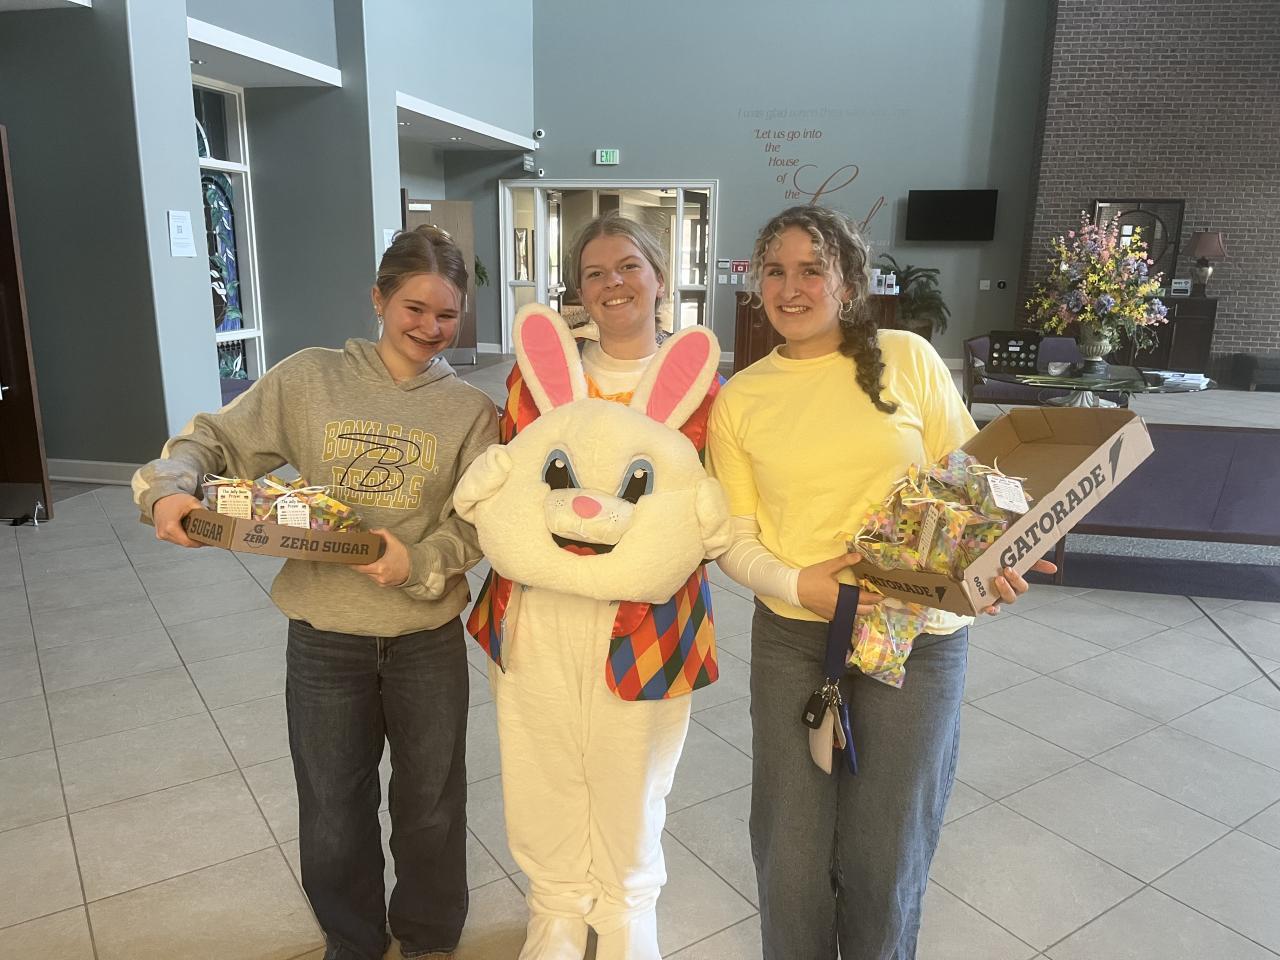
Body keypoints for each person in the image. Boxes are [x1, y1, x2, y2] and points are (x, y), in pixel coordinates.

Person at [133, 225, 498, 960]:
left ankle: (429, 936)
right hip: (325, 638)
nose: (431, 327)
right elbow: (212, 440)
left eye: (447, 314)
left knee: (431, 801)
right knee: (333, 804)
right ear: (378, 299)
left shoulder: (472, 412)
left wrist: (418, 560)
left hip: (426, 639)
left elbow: (477, 523)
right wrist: (169, 489)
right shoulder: (309, 379)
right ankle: (352, 940)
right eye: (415, 308)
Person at [706, 205, 1055, 960]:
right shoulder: (741, 398)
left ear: (849, 283)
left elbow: (976, 484)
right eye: (775, 272)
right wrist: (799, 584)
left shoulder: (909, 359)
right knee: (791, 850)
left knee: (887, 850)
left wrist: (1002, 556)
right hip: (799, 637)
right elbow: (732, 538)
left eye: (811, 270)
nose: (790, 289)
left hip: (920, 639)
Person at [466, 213, 721, 960]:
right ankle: (555, 906)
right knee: (539, 758)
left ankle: (625, 909)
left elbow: (718, 499)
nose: (614, 284)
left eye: (629, 266)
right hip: (536, 607)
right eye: (595, 273)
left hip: (648, 618)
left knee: (633, 770)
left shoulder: (705, 388)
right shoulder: (536, 379)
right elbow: (514, 482)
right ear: (578, 290)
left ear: (660, 276)